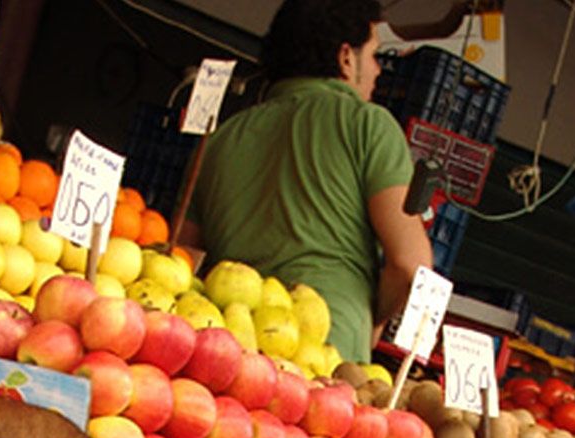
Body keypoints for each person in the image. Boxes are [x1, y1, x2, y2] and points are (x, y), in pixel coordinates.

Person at [178, 0, 435, 364]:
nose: (378, 71)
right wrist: (367, 318)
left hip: (231, 351)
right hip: (325, 353)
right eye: (375, 55)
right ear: (346, 58)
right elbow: (412, 266)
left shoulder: (218, 140)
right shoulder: (368, 125)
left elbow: (181, 259)